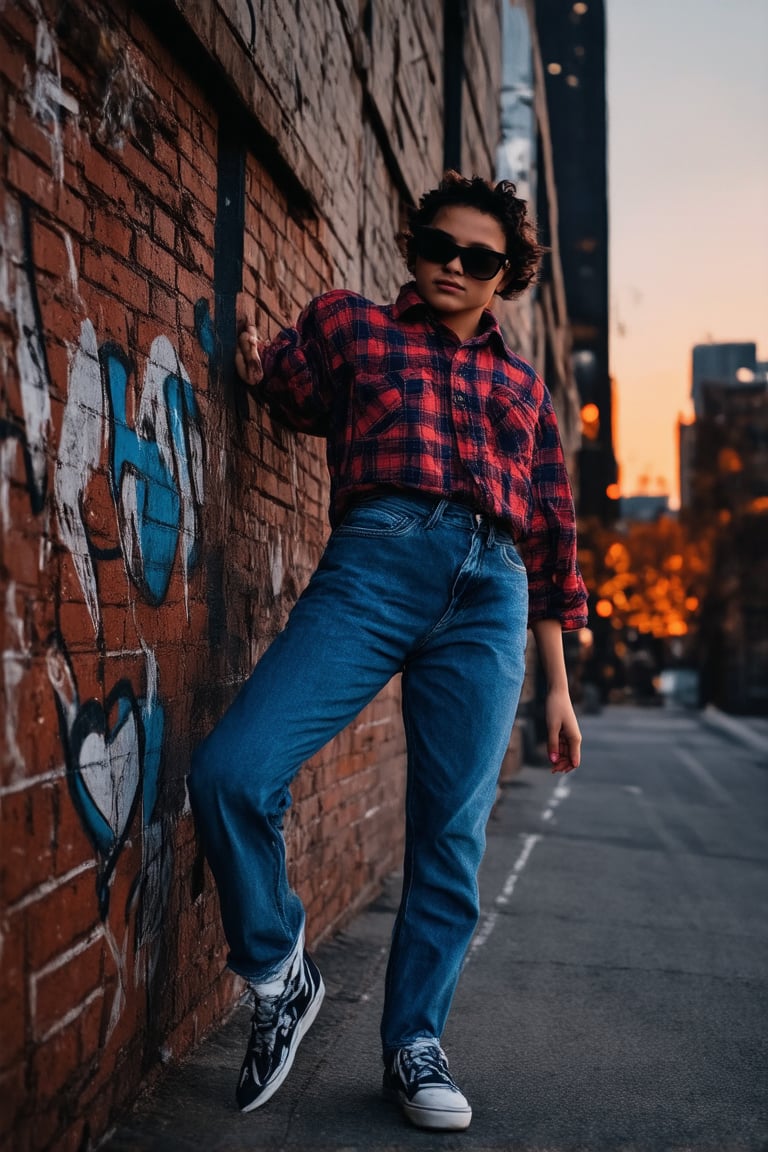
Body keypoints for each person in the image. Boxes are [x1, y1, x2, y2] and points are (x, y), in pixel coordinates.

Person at [188, 171, 587, 1131]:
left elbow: (551, 542)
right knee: (232, 771)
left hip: (492, 594)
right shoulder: (353, 329)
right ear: (414, 248)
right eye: (438, 246)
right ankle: (281, 972)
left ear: (506, 278)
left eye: (478, 258)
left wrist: (558, 690)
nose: (453, 266)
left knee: (451, 833)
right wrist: (250, 367)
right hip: (374, 567)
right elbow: (284, 384)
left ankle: (414, 1043)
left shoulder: (526, 389)